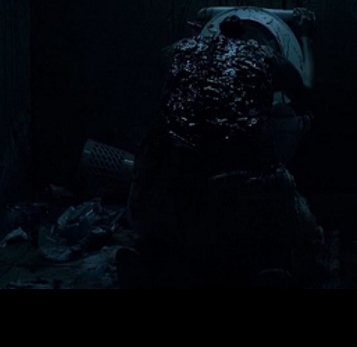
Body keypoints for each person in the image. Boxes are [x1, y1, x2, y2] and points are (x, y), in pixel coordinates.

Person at [122, 15, 322, 289]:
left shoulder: (179, 49)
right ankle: (269, 265)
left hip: (160, 188)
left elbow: (146, 90)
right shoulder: (263, 55)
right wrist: (306, 35)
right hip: (240, 193)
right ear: (248, 37)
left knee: (170, 212)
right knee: (293, 228)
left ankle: (151, 254)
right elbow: (306, 89)